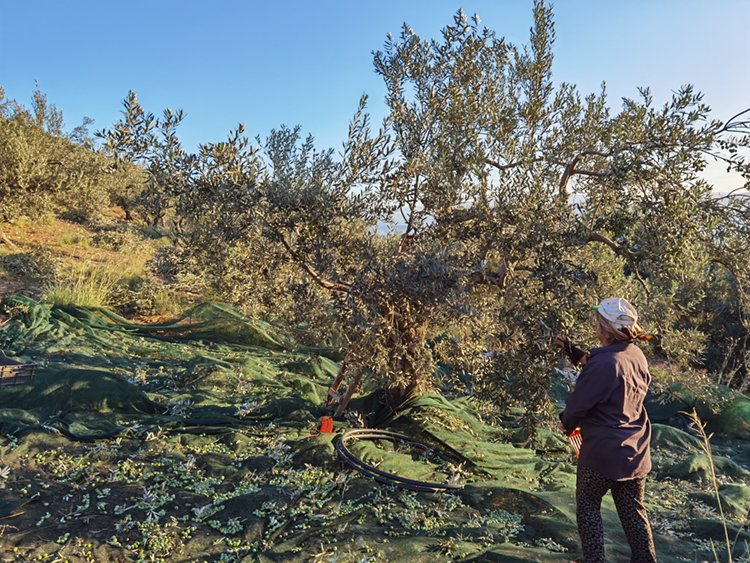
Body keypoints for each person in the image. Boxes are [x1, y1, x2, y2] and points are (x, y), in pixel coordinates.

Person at [555, 297, 657, 563]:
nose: (595, 326)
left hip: (602, 455)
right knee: (634, 513)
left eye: (598, 322)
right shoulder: (636, 355)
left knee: (588, 508)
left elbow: (578, 405)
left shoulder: (604, 364)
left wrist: (566, 421)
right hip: (634, 453)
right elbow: (605, 366)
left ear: (605, 328)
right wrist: (571, 349)